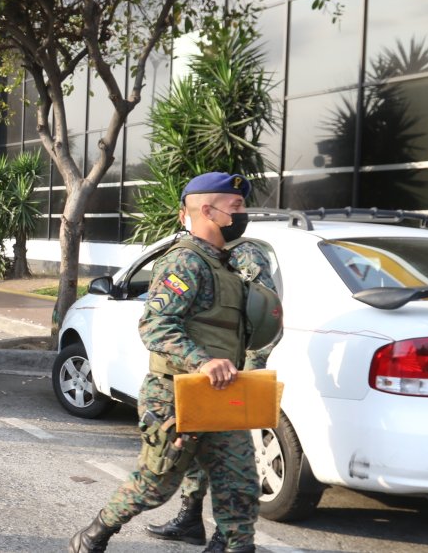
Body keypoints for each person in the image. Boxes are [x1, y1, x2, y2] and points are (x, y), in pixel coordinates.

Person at [69, 172, 269, 553]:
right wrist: (203, 362)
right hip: (177, 394)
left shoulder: (228, 266)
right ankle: (94, 534)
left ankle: (236, 546)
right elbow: (156, 325)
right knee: (155, 484)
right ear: (209, 211)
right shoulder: (183, 263)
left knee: (240, 488)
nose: (243, 213)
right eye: (236, 207)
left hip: (223, 396)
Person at [144, 208, 280, 546]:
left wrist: (247, 364)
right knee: (197, 439)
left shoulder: (243, 252)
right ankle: (191, 517)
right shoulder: (198, 253)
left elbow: (261, 312)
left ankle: (226, 533)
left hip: (232, 366)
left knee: (229, 457)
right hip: (210, 365)